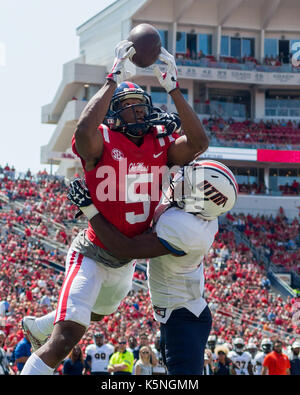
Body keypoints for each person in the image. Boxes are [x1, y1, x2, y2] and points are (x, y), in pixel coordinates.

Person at [21, 40, 208, 375]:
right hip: (93, 252)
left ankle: (40, 325)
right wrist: (112, 80)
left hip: (124, 264)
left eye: (142, 105)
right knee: (66, 339)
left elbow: (199, 143)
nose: (139, 111)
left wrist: (174, 89)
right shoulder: (101, 140)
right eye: (130, 106)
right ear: (113, 112)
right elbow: (82, 130)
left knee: (96, 313)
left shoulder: (160, 142)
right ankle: (44, 338)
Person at [66, 159, 238, 374]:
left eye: (188, 183)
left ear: (200, 199)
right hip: (178, 314)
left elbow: (124, 248)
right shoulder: (197, 214)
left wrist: (90, 209)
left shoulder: (187, 228)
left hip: (183, 317)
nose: (179, 180)